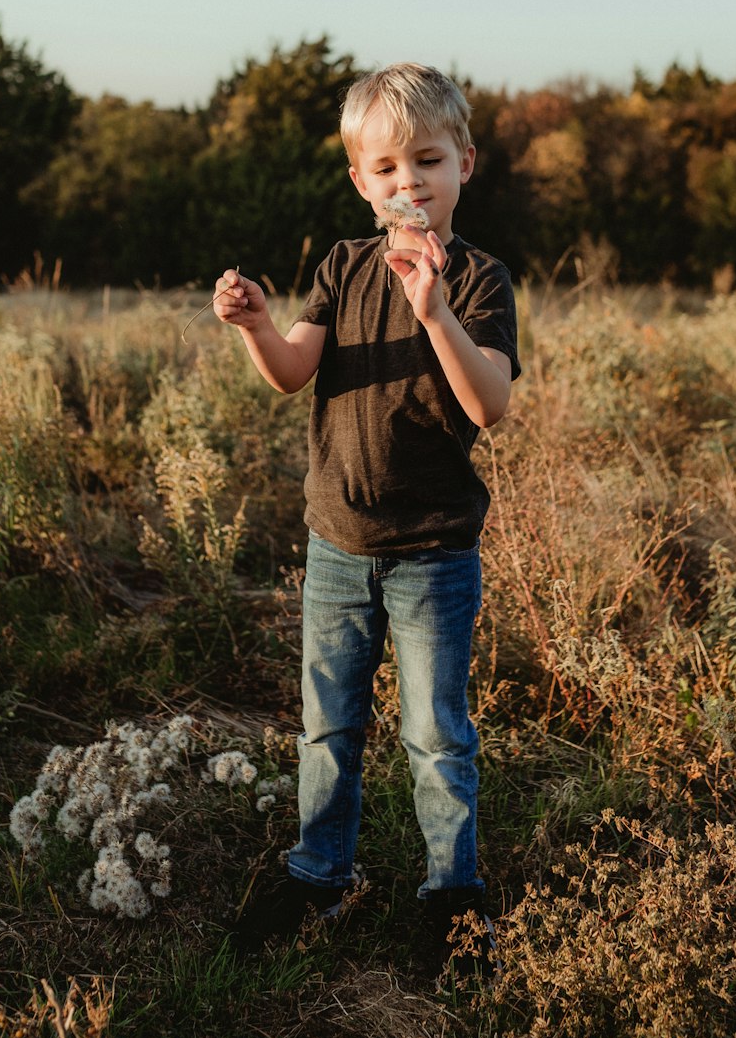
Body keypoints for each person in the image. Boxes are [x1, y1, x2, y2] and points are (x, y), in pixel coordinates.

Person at [213, 62, 520, 974]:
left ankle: (451, 899)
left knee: (435, 731)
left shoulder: (476, 279)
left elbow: (489, 402)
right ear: (360, 180)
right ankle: (321, 873)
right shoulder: (343, 267)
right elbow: (291, 372)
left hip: (433, 554)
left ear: (465, 163)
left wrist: (432, 313)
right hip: (338, 544)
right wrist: (256, 328)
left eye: (428, 160)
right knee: (328, 724)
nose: (408, 183)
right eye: (386, 168)